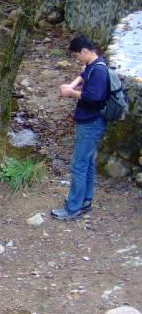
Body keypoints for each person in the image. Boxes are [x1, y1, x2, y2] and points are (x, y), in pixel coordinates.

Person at [51, 35, 109, 221]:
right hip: (90, 121)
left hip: (91, 122)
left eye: (77, 55)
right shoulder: (94, 63)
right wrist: (72, 84)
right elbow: (84, 74)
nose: (77, 59)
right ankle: (85, 200)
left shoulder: (99, 71)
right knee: (88, 162)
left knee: (79, 165)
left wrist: (71, 93)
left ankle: (73, 208)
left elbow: (94, 97)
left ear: (84, 51)